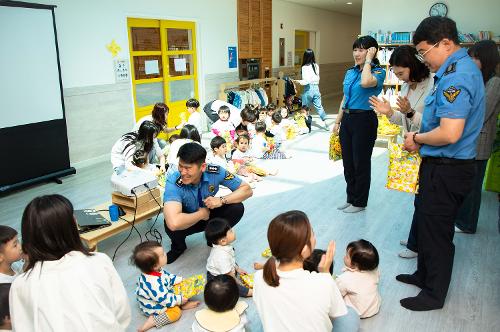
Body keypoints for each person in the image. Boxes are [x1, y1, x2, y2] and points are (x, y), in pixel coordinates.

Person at [397, 17, 485, 311]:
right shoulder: (450, 71)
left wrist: (418, 138)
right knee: (425, 221)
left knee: (437, 232)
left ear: (445, 43)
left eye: (424, 51)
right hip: (438, 165)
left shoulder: (458, 76)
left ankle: (434, 294)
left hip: (449, 168)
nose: (423, 59)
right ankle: (424, 274)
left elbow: (450, 132)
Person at [9, 195, 131, 331]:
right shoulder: (99, 261)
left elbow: (22, 327)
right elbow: (122, 313)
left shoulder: (20, 285)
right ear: (71, 227)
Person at [253, 210, 358, 332]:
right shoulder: (323, 282)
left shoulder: (259, 277)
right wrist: (325, 273)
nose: (314, 237)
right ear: (304, 249)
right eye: (312, 233)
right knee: (350, 314)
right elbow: (335, 313)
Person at [163, 143, 253, 263]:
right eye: (181, 166)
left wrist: (221, 200)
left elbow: (247, 190)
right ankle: (178, 247)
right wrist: (201, 214)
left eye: (188, 168)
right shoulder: (174, 181)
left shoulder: (215, 172)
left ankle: (214, 238)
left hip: (210, 213)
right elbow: (174, 223)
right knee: (170, 225)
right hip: (188, 218)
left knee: (237, 208)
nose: (183, 172)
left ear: (203, 167)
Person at [334, 36, 386, 214]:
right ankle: (351, 198)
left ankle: (360, 202)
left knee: (360, 163)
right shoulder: (350, 72)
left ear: (371, 51)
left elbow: (365, 83)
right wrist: (337, 121)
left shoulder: (378, 72)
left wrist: (369, 61)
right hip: (348, 119)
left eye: (362, 50)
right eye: (355, 49)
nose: (357, 53)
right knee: (348, 163)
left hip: (364, 120)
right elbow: (345, 98)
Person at [454, 40, 500, 234]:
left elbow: (482, 113)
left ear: (485, 59)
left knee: (472, 187)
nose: (471, 61)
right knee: (465, 184)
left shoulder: (495, 82)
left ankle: (467, 224)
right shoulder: (478, 79)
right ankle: (462, 220)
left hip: (478, 141)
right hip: (468, 140)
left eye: (475, 57)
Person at [131, 241, 200, 332]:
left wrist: (180, 280)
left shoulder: (157, 270)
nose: (165, 254)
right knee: (175, 313)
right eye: (163, 254)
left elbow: (168, 277)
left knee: (187, 286)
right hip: (155, 305)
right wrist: (179, 299)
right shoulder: (152, 283)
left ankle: (181, 303)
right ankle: (153, 321)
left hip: (163, 294)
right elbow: (164, 299)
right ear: (155, 265)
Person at [369, 45, 433, 133]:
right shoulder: (405, 87)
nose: (399, 78)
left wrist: (410, 112)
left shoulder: (433, 84)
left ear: (414, 66)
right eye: (396, 74)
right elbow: (406, 122)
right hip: (410, 143)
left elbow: (435, 126)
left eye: (401, 73)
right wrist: (390, 112)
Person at [205, 218, 252, 297]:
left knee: (233, 264)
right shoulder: (221, 256)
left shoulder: (224, 247)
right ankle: (249, 292)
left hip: (224, 268)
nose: (233, 231)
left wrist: (237, 269)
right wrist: (237, 282)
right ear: (223, 241)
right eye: (230, 231)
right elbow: (228, 274)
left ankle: (234, 274)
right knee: (232, 286)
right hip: (217, 278)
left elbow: (231, 260)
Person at [335, 240, 381, 318]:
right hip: (373, 308)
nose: (344, 256)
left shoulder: (345, 279)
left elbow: (337, 293)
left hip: (356, 312)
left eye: (347, 256)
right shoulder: (375, 271)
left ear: (354, 265)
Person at [295, 49, 328, 130]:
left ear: (305, 57)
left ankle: (304, 125)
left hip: (308, 88)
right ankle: (326, 124)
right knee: (319, 107)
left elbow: (306, 81)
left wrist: (297, 81)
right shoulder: (316, 65)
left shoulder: (304, 67)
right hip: (316, 88)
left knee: (305, 107)